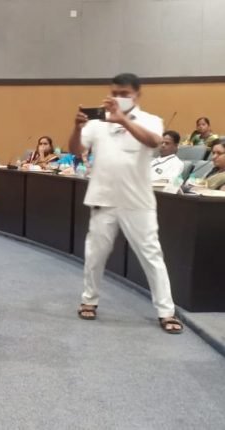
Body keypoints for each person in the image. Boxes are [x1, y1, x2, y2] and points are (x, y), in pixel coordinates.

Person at [69, 73, 183, 334]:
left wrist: (122, 120)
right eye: (115, 93)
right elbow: (76, 150)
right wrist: (76, 128)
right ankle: (89, 300)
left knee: (152, 256)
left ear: (137, 95)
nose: (118, 98)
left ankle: (166, 311)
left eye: (124, 94)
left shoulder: (151, 120)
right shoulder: (97, 123)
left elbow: (154, 142)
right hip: (103, 198)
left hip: (138, 201)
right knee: (95, 254)